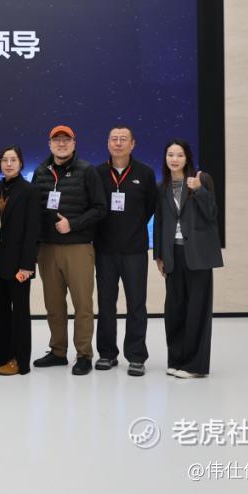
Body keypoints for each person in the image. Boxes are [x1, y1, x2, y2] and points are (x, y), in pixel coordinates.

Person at [31, 125, 108, 375]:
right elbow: (34, 211)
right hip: (47, 249)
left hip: (78, 248)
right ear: (49, 144)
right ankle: (58, 351)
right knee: (54, 305)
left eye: (66, 140)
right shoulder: (40, 172)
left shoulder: (87, 171)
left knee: (82, 305)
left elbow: (100, 208)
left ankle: (84, 354)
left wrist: (72, 224)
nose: (61, 144)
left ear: (74, 143)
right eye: (57, 140)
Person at [153, 139, 223, 378]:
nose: (174, 159)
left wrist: (199, 190)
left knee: (197, 311)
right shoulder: (162, 187)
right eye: (170, 155)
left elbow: (212, 213)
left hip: (197, 256)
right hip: (173, 255)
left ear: (187, 158)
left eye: (179, 155)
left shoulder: (202, 180)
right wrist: (158, 255)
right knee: (174, 310)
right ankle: (176, 360)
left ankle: (195, 366)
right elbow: (159, 222)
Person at [93, 125, 158, 376]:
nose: (118, 143)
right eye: (114, 139)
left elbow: (150, 207)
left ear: (133, 144)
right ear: (108, 143)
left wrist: (132, 226)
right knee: (106, 304)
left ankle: (136, 356)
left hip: (135, 250)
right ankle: (107, 354)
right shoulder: (97, 173)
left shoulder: (145, 173)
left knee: (136, 305)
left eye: (123, 139)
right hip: (105, 250)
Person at [0, 146, 39, 375]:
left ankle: (20, 361)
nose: (8, 164)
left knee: (20, 313)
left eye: (13, 159)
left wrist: (27, 265)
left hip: (18, 264)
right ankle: (1, 356)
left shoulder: (29, 191)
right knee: (0, 311)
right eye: (4, 160)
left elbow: (32, 231)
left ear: (21, 163)